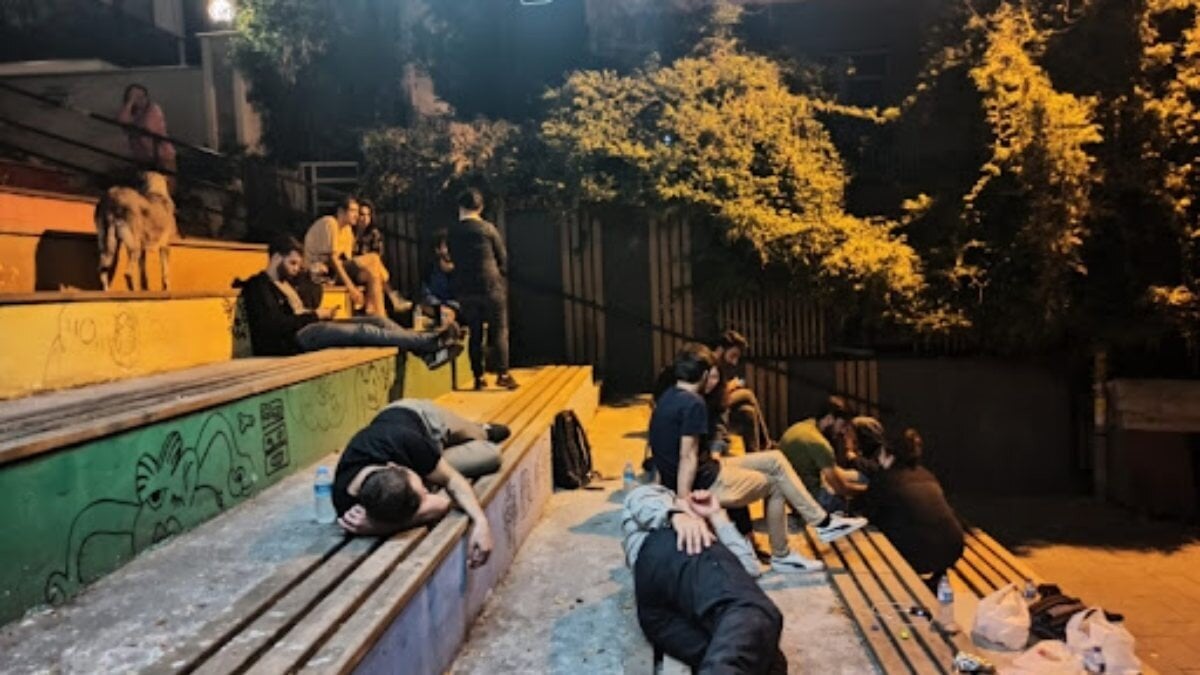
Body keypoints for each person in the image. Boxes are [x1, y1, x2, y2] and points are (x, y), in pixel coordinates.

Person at [649, 343, 868, 573]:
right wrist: (683, 502)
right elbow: (687, 456)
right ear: (703, 375)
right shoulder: (694, 403)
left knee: (775, 458)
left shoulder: (668, 397)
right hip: (705, 481)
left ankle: (823, 523)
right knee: (775, 484)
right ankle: (784, 554)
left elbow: (665, 449)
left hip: (706, 469)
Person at [622, 484, 786, 674]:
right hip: (666, 555)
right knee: (754, 614)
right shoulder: (665, 503)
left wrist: (717, 515)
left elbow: (749, 569)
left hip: (661, 616)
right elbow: (637, 496)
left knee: (767, 658)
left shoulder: (710, 542)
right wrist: (676, 514)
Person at [333, 399, 512, 567]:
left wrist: (481, 521)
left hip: (421, 418)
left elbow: (452, 480)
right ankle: (436, 459)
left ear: (394, 466)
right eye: (424, 492)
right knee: (492, 456)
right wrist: (382, 526)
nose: (427, 493)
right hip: (424, 457)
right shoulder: (345, 502)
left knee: (477, 434)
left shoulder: (404, 441)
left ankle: (482, 430)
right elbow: (441, 504)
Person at [240, 235, 461, 366]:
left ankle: (427, 356)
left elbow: (312, 300)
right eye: (292, 263)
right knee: (364, 331)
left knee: (378, 321)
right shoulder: (258, 286)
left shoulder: (290, 283)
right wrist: (315, 315)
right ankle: (431, 341)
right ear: (276, 258)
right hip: (293, 339)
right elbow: (272, 326)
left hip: (311, 326)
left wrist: (311, 279)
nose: (296, 269)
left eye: (298, 264)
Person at [857, 424, 964, 593]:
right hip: (952, 549)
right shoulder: (926, 474)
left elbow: (866, 513)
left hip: (917, 553)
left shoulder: (884, 479)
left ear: (888, 454)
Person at [445, 188, 517, 390]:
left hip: (466, 287)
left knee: (475, 332)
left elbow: (452, 257)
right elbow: (502, 258)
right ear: (480, 207)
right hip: (491, 284)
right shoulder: (488, 229)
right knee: (499, 330)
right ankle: (503, 374)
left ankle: (479, 377)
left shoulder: (453, 231)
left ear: (460, 207)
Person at [777, 396, 867, 514]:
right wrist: (867, 491)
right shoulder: (819, 443)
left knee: (859, 477)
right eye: (843, 425)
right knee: (862, 503)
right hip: (810, 500)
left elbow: (830, 472)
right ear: (830, 418)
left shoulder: (801, 427)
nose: (843, 431)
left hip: (790, 495)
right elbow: (840, 488)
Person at [304, 195, 389, 319]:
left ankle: (379, 316)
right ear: (341, 211)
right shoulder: (330, 223)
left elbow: (347, 261)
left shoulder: (347, 230)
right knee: (374, 258)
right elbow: (333, 260)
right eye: (353, 211)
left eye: (357, 211)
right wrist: (351, 288)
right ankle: (386, 298)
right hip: (318, 272)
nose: (356, 215)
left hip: (334, 271)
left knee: (373, 275)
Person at [711, 330, 773, 453]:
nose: (735, 362)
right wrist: (732, 386)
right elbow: (714, 393)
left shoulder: (721, 365)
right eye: (733, 355)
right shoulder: (711, 363)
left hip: (722, 403)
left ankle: (755, 450)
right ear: (721, 349)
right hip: (712, 405)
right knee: (747, 394)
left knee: (748, 411)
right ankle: (766, 443)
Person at [117, 84, 176, 176]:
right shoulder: (131, 112)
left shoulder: (154, 109)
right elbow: (122, 121)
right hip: (142, 157)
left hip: (162, 155)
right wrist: (130, 103)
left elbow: (148, 127)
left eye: (142, 96)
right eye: (135, 97)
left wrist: (132, 127)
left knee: (166, 182)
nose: (140, 99)